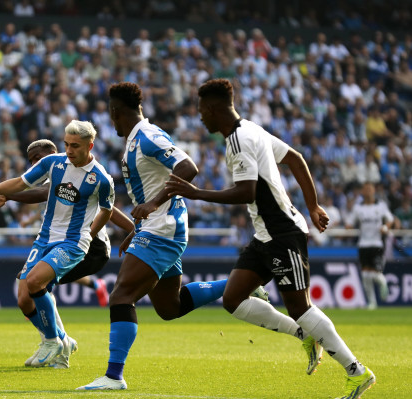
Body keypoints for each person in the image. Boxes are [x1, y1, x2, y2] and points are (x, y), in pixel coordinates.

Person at [165, 78, 375, 399]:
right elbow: (294, 158)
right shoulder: (252, 129)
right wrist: (313, 205)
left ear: (213, 109)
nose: (200, 117)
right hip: (265, 236)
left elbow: (246, 191)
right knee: (233, 299)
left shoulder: (239, 140)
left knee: (300, 307)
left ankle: (356, 372)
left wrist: (196, 193)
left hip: (282, 234)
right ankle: (305, 335)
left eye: (201, 111)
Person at [78, 82, 262, 391]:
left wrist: (153, 204)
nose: (111, 122)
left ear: (116, 112)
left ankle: (113, 377)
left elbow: (188, 167)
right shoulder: (136, 140)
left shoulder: (148, 137)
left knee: (122, 296)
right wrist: (138, 227)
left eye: (111, 116)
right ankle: (243, 284)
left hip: (163, 228)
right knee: (170, 307)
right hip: (157, 228)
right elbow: (154, 184)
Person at [0, 120, 115, 369]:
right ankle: (61, 340)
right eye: (66, 144)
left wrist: (90, 232)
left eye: (75, 146)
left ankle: (53, 340)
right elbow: (21, 183)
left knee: (37, 281)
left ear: (89, 145)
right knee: (24, 298)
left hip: (73, 242)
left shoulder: (100, 178)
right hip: (45, 238)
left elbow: (108, 210)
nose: (68, 150)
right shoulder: (53, 163)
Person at [344, 182, 398, 310]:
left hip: (377, 243)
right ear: (362, 191)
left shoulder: (381, 206)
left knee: (374, 272)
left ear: (374, 191)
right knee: (365, 275)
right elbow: (349, 222)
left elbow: (391, 220)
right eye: (365, 189)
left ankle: (383, 282)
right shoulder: (358, 208)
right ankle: (372, 303)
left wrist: (385, 226)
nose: (368, 191)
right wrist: (348, 226)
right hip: (363, 244)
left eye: (370, 189)